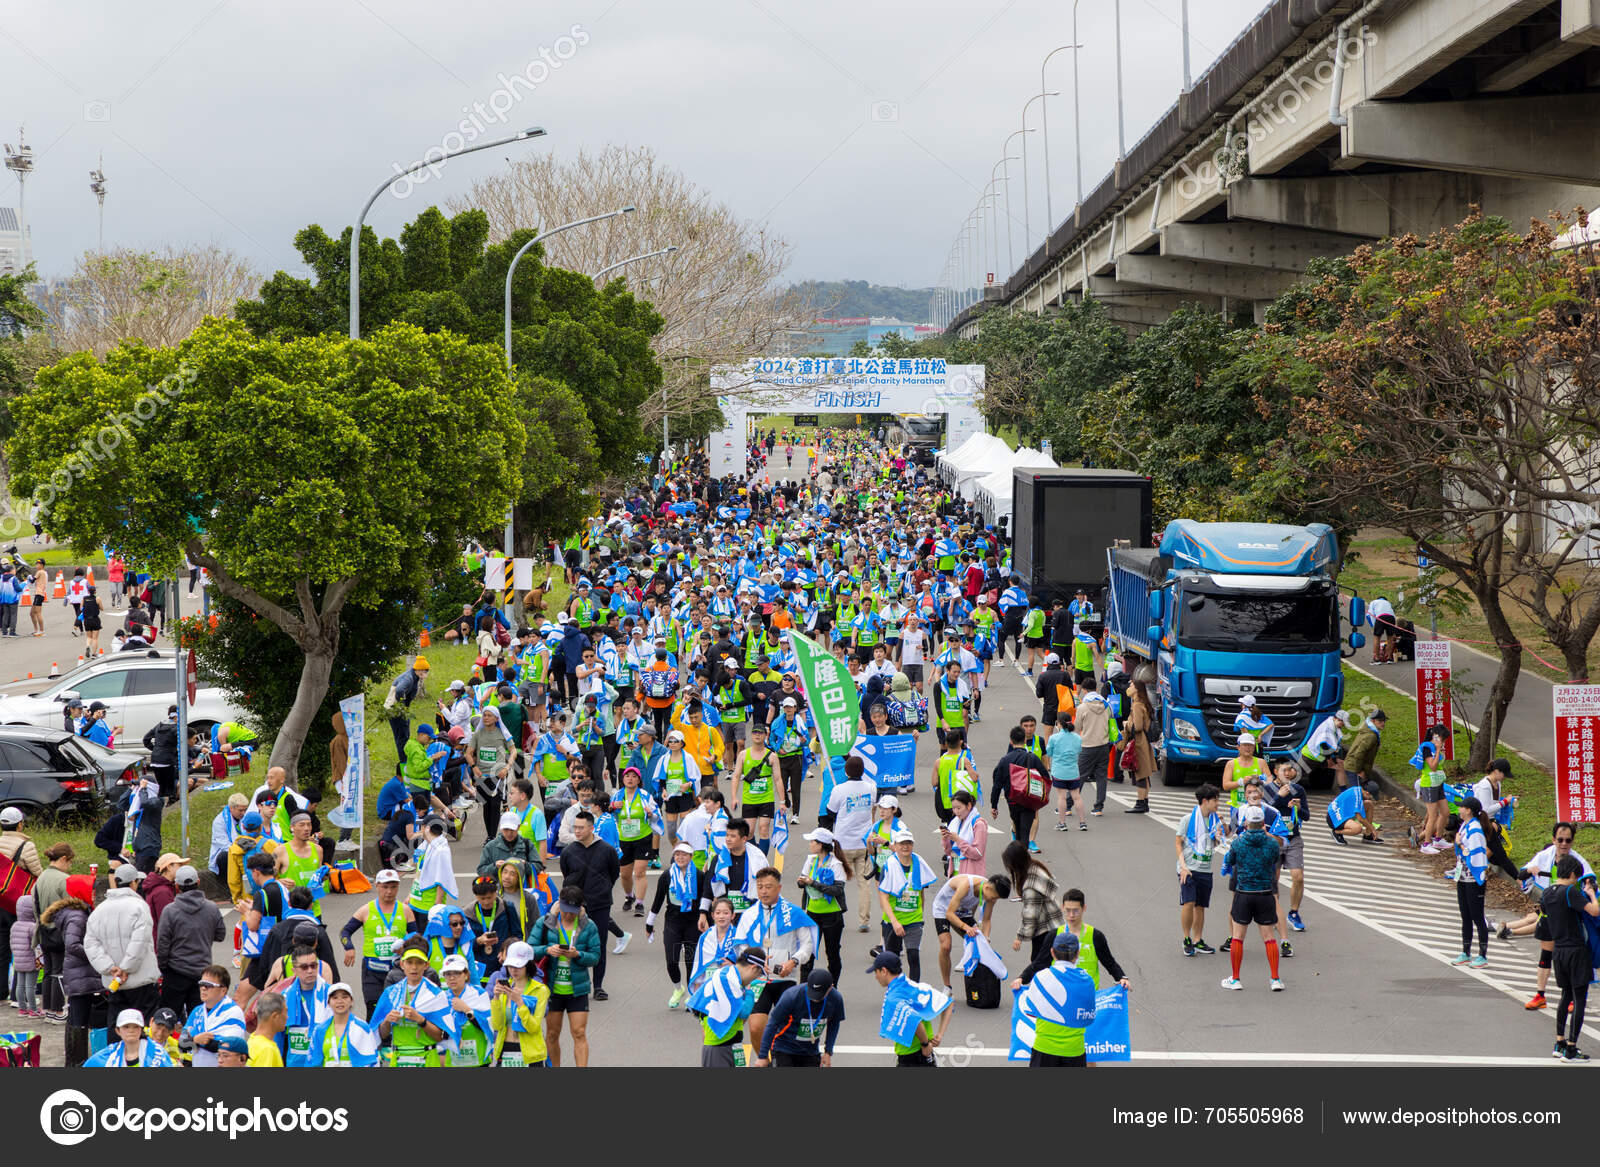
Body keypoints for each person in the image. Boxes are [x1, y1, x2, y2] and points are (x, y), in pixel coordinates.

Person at [733, 866, 817, 1053]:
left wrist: (793, 961)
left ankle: (783, 1059)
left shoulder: (793, 913)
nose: (763, 891)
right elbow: (740, 945)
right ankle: (765, 1060)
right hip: (758, 979)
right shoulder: (749, 915)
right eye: (760, 887)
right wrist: (755, 961)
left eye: (768, 887)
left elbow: (807, 945)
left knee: (786, 1029)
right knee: (755, 1027)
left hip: (786, 978)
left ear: (779, 888)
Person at [1517, 822, 1594, 1011]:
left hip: (1570, 915)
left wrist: (1588, 886)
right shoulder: (1545, 856)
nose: (1564, 844)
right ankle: (1540, 995)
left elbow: (1591, 879)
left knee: (1571, 956)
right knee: (1546, 954)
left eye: (1568, 840)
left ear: (1572, 841)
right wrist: (1530, 871)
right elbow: (1521, 873)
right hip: (1549, 913)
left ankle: (1572, 997)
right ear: (1553, 840)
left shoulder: (1577, 860)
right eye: (1560, 840)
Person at [84, 863, 160, 1046]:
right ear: (134, 883)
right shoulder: (139, 907)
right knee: (144, 1026)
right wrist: (126, 967)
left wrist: (110, 968)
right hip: (141, 978)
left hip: (114, 981)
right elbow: (140, 941)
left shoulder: (100, 910)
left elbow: (90, 943)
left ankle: (116, 1057)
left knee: (117, 1025)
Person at [529, 886, 602, 1066]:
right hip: (552, 989)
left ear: (580, 908)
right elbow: (529, 949)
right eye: (565, 910)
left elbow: (595, 957)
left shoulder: (588, 926)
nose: (568, 915)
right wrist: (547, 950)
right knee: (552, 1034)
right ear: (559, 904)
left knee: (579, 1033)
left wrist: (578, 955)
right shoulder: (545, 923)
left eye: (573, 912)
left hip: (577, 989)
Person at [339, 869, 421, 1019]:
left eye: (393, 887)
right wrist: (349, 947)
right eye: (385, 887)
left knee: (397, 1010)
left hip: (398, 970)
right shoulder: (366, 910)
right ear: (377, 886)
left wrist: (406, 946)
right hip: (372, 971)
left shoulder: (405, 910)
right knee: (374, 1010)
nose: (389, 891)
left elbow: (416, 938)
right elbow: (345, 932)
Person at [1220, 805, 1285, 992]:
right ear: (1263, 822)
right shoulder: (1271, 843)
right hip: (1265, 892)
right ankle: (1275, 979)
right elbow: (1274, 859)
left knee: (1238, 937)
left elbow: (1230, 860)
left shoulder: (1239, 842)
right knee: (1269, 937)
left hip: (1244, 893)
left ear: (1246, 823)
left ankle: (1235, 979)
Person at [559, 809, 622, 1000]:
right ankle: (578, 984)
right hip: (574, 906)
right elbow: (566, 873)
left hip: (600, 904)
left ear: (591, 828)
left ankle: (599, 986)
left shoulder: (607, 850)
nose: (577, 831)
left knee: (599, 945)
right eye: (575, 827)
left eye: (581, 828)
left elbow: (614, 873)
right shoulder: (568, 851)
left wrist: (602, 889)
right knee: (573, 944)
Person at [1542, 855, 1599, 1061]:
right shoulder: (1570, 892)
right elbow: (1594, 911)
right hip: (1576, 950)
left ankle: (1559, 1042)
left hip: (1558, 950)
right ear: (1573, 874)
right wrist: (1591, 894)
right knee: (1579, 998)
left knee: (1565, 996)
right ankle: (1572, 1047)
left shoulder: (1547, 892)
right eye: (1577, 877)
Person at [1015, 930, 1096, 1068]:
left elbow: (1031, 1011)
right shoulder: (1087, 980)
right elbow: (1088, 1018)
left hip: (1044, 1048)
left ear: (1052, 952)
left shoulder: (1041, 977)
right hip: (1074, 1050)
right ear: (1077, 953)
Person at [156, 864, 224, 1017]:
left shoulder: (170, 911)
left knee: (168, 1018)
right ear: (198, 882)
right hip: (202, 972)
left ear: (177, 886)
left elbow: (163, 944)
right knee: (200, 1017)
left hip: (175, 971)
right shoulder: (211, 908)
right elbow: (220, 935)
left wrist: (163, 967)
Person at [821, 755, 876, 933]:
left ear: (846, 771)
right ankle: (864, 920)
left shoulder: (839, 789)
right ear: (863, 770)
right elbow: (872, 807)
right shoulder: (871, 788)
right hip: (864, 843)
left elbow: (830, 811)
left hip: (842, 844)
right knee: (864, 883)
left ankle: (836, 917)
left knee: (838, 881)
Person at [930, 870, 1010, 991]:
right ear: (987, 888)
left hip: (963, 911)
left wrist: (986, 938)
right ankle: (947, 987)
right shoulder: (966, 885)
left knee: (979, 940)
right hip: (944, 909)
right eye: (994, 897)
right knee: (946, 946)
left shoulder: (991, 892)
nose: (993, 900)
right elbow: (949, 914)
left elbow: (987, 920)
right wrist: (966, 927)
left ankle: (976, 984)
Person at [647, 842, 704, 1008]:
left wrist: (707, 921)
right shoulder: (667, 876)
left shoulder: (699, 876)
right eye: (677, 854)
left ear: (691, 856)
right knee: (671, 960)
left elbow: (705, 900)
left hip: (693, 923)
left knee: (690, 961)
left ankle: (692, 995)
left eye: (684, 854)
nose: (680, 857)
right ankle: (678, 989)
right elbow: (658, 900)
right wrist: (649, 923)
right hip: (673, 922)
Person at [869, 949, 950, 1067]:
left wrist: (925, 1044)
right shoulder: (916, 986)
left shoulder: (894, 997)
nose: (876, 977)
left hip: (910, 1056)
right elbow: (949, 1004)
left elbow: (913, 1019)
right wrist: (939, 1035)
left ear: (884, 971)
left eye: (876, 972)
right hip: (926, 1055)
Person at [876, 829, 937, 984]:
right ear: (895, 845)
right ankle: (896, 990)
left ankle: (913, 991)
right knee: (892, 962)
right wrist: (895, 922)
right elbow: (883, 897)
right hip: (893, 921)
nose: (905, 847)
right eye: (902, 843)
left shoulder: (919, 863)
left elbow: (921, 892)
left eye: (908, 843)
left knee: (914, 957)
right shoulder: (889, 866)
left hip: (914, 920)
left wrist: (920, 915)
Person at [755, 968, 845, 1067]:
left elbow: (834, 1024)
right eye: (812, 992)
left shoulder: (836, 999)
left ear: (830, 987)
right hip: (784, 1048)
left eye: (819, 995)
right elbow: (773, 1024)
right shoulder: (791, 996)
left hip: (810, 1051)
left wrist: (828, 1052)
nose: (815, 999)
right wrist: (762, 1056)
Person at [695, 947, 768, 1067]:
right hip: (719, 1045)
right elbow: (744, 1012)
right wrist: (750, 993)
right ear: (753, 968)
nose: (755, 979)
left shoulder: (733, 977)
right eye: (758, 974)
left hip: (734, 1044)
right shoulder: (727, 979)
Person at [796, 827, 850, 981]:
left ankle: (833, 986)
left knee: (832, 953)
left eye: (812, 841)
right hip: (812, 914)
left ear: (820, 845)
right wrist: (801, 882)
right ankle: (804, 987)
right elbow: (802, 881)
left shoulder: (835, 864)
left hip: (832, 916)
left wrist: (813, 883)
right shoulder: (810, 860)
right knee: (808, 953)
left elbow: (837, 890)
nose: (810, 844)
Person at [0, 805, 42, 1005]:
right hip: (19, 904)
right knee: (23, 948)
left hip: (0, 901)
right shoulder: (26, 846)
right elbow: (38, 872)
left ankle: (1, 991)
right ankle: (19, 995)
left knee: (2, 947)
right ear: (19, 824)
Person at [1264, 759, 1311, 933]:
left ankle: (1294, 913)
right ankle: (1273, 913)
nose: (1288, 773)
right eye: (1284, 770)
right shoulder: (1267, 790)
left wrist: (1298, 808)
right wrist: (1279, 797)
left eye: (1290, 770)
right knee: (1273, 879)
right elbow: (1263, 811)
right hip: (1274, 839)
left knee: (1298, 877)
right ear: (1276, 772)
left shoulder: (1298, 790)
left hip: (1293, 838)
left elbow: (1307, 816)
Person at [991, 724, 1051, 854]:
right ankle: (1022, 857)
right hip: (1029, 800)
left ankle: (1019, 855)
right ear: (1024, 740)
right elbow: (1046, 776)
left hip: (1012, 800)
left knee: (1017, 828)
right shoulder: (1032, 757)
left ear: (1011, 741)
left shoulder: (1005, 760)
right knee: (1025, 831)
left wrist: (994, 805)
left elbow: (997, 784)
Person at [489, 942, 551, 1067]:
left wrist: (520, 1003)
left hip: (530, 1053)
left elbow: (533, 1027)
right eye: (510, 966)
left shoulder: (540, 990)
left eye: (518, 966)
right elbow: (497, 1025)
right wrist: (496, 998)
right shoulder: (506, 987)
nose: (513, 970)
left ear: (528, 965)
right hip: (505, 1050)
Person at [610, 765, 660, 917]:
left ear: (639, 780)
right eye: (627, 776)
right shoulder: (617, 796)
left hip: (642, 837)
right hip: (623, 839)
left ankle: (639, 903)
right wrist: (612, 807)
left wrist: (651, 814)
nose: (630, 779)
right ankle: (629, 896)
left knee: (639, 872)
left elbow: (656, 815)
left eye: (634, 776)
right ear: (623, 779)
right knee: (625, 874)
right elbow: (606, 813)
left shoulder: (645, 796)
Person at [1450, 797, 1493, 970]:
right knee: (1465, 916)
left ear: (1468, 810)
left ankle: (1482, 955)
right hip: (1463, 876)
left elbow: (1472, 853)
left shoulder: (1474, 829)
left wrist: (1459, 843)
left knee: (1477, 916)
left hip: (1474, 878)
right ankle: (1466, 952)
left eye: (1461, 807)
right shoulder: (1465, 826)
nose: (1459, 810)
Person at [1004, 841, 1064, 966]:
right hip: (1055, 923)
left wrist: (1019, 937)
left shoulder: (1030, 887)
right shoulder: (1036, 867)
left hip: (1046, 929)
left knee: (1039, 964)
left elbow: (1030, 915)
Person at [180, 964, 247, 1068]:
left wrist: (196, 1040)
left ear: (223, 990)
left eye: (208, 985)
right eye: (201, 984)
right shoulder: (197, 1011)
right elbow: (182, 1044)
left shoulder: (233, 1012)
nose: (203, 988)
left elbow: (228, 1047)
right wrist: (196, 1040)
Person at [1073, 677, 1112, 816]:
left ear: (1084, 690)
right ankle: (1098, 807)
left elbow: (1077, 728)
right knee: (1101, 777)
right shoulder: (1107, 705)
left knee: (1079, 776)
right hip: (1104, 745)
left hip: (1087, 746)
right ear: (1096, 689)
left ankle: (1068, 805)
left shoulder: (1082, 707)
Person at [85, 1008, 175, 1067]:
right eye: (126, 1027)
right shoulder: (108, 1055)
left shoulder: (158, 1053)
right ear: (118, 1031)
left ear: (141, 1029)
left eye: (135, 1027)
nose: (131, 1030)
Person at [1045, 713, 1085, 831]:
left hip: (1059, 771)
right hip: (1073, 771)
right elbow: (1079, 751)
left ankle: (1062, 823)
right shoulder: (1077, 737)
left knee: (1061, 797)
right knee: (1077, 797)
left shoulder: (1054, 738)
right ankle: (1082, 823)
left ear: (1059, 724)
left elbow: (1049, 753)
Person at [1122, 679, 1156, 813]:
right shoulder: (1143, 704)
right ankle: (1144, 801)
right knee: (1144, 773)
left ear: (1136, 689)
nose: (1128, 688)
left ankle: (1140, 803)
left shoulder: (1137, 705)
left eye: (1131, 685)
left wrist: (1126, 724)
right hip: (1144, 742)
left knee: (1140, 773)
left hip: (1139, 742)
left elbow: (1137, 727)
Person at [248, 991, 288, 1067]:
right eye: (286, 1012)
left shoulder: (252, 1040)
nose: (287, 1017)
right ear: (275, 1016)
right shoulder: (267, 1049)